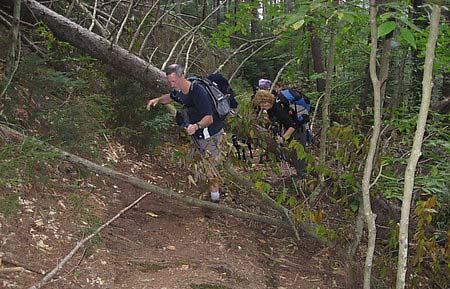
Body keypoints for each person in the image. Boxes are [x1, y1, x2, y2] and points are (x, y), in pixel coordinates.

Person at [146, 64, 224, 203]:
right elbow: (170, 97)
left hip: (210, 134)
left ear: (182, 77)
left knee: (210, 169)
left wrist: (196, 126)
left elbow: (209, 118)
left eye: (174, 81)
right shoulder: (178, 90)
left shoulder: (198, 91)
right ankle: (209, 194)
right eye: (169, 81)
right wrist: (157, 100)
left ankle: (215, 201)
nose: (172, 84)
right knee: (200, 167)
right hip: (197, 135)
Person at [252, 89, 308, 179]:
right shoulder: (271, 108)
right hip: (290, 125)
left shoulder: (278, 107)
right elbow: (275, 121)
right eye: (260, 105)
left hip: (298, 126)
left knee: (298, 151)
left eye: (263, 104)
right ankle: (300, 174)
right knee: (291, 150)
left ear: (267, 100)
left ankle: (303, 176)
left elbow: (292, 125)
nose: (262, 106)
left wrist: (283, 138)